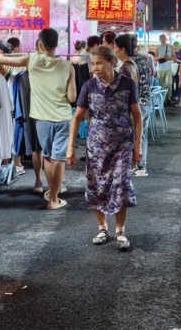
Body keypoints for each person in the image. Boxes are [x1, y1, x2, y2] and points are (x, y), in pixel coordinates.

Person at [67, 45, 142, 251]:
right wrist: (71, 147)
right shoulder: (89, 86)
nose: (95, 68)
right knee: (96, 186)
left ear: (111, 62)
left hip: (122, 144)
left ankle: (120, 230)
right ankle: (102, 227)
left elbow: (137, 116)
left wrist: (138, 144)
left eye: (99, 63)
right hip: (96, 146)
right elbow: (77, 117)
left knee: (122, 185)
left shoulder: (127, 85)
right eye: (93, 64)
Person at [0, 28, 76, 209]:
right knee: (59, 158)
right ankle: (54, 197)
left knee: (47, 157)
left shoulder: (32, 60)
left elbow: (3, 60)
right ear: (56, 44)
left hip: (42, 119)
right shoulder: (68, 66)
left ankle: (50, 194)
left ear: (40, 44)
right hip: (62, 118)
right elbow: (71, 97)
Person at [114, 34, 152, 176]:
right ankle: (141, 165)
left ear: (123, 49)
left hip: (135, 105)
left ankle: (136, 164)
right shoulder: (143, 58)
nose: (114, 51)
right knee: (141, 135)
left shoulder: (127, 66)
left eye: (115, 48)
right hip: (146, 100)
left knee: (135, 136)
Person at [156, 34, 175, 103]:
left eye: (163, 38)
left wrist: (168, 58)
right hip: (160, 68)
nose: (162, 39)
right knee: (161, 85)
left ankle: (169, 97)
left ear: (166, 39)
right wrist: (161, 57)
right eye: (161, 38)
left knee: (169, 83)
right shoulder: (157, 47)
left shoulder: (170, 47)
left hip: (168, 68)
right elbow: (155, 58)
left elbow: (174, 57)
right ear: (159, 39)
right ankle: (162, 99)